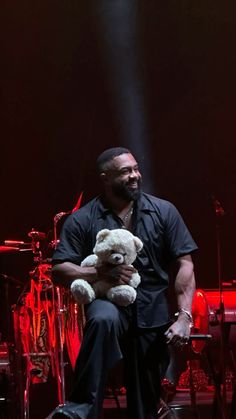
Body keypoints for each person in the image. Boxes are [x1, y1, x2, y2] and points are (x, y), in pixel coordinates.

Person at [50, 147, 198, 419]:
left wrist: (184, 316)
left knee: (145, 404)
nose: (134, 176)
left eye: (135, 169)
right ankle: (78, 411)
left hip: (152, 313)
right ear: (105, 178)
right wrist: (100, 273)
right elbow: (59, 270)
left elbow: (184, 263)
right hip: (108, 302)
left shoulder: (163, 212)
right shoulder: (83, 218)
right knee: (103, 319)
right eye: (125, 172)